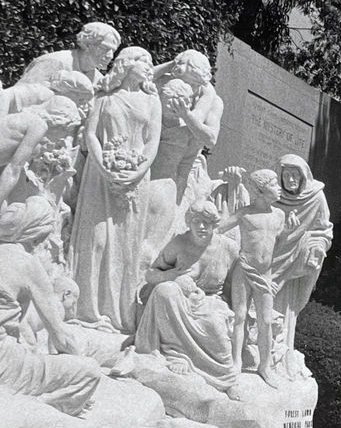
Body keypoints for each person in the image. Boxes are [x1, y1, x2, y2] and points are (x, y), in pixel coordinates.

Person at [0, 198, 103, 415]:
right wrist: (77, 360)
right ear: (36, 237)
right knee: (90, 371)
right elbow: (61, 338)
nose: (46, 244)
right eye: (45, 237)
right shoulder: (28, 264)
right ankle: (37, 406)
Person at [70, 47, 162, 331]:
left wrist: (137, 171)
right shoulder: (105, 97)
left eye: (150, 63)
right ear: (126, 64)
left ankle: (117, 313)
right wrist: (103, 166)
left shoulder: (152, 101)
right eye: (143, 61)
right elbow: (91, 135)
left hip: (135, 176)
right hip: (100, 174)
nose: (148, 67)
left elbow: (152, 141)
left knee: (125, 243)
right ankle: (86, 309)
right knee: (95, 239)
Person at [132, 199, 241, 395]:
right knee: (164, 290)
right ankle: (176, 354)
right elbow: (151, 274)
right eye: (196, 221)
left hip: (211, 301)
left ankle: (226, 380)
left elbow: (236, 285)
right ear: (189, 222)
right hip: (180, 299)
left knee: (214, 325)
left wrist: (238, 313)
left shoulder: (229, 248)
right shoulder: (179, 243)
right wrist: (171, 275)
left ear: (214, 223)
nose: (201, 227)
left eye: (206, 222)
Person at [0, 94, 83, 243]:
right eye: (67, 129)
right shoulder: (38, 126)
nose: (64, 136)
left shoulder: (27, 120)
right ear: (59, 121)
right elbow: (13, 170)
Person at [143, 49, 225, 252]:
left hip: (182, 178)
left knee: (166, 232)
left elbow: (210, 139)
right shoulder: (167, 83)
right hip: (150, 164)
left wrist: (186, 115)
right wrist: (172, 64)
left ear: (202, 82)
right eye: (183, 80)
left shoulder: (211, 100)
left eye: (193, 84)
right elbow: (136, 77)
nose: (187, 88)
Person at [217, 167, 288, 388]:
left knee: (265, 321)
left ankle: (265, 366)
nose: (279, 188)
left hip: (265, 274)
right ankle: (236, 362)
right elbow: (219, 228)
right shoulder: (245, 213)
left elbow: (279, 244)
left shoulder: (279, 215)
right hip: (244, 270)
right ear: (261, 190)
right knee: (240, 316)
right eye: (274, 185)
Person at [270, 153, 333, 379]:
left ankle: (282, 356)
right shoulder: (273, 197)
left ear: (303, 176)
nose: (290, 180)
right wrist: (284, 231)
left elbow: (324, 231)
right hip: (273, 262)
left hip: (297, 267)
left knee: (286, 312)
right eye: (286, 175)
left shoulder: (316, 197)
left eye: (295, 175)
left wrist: (315, 246)